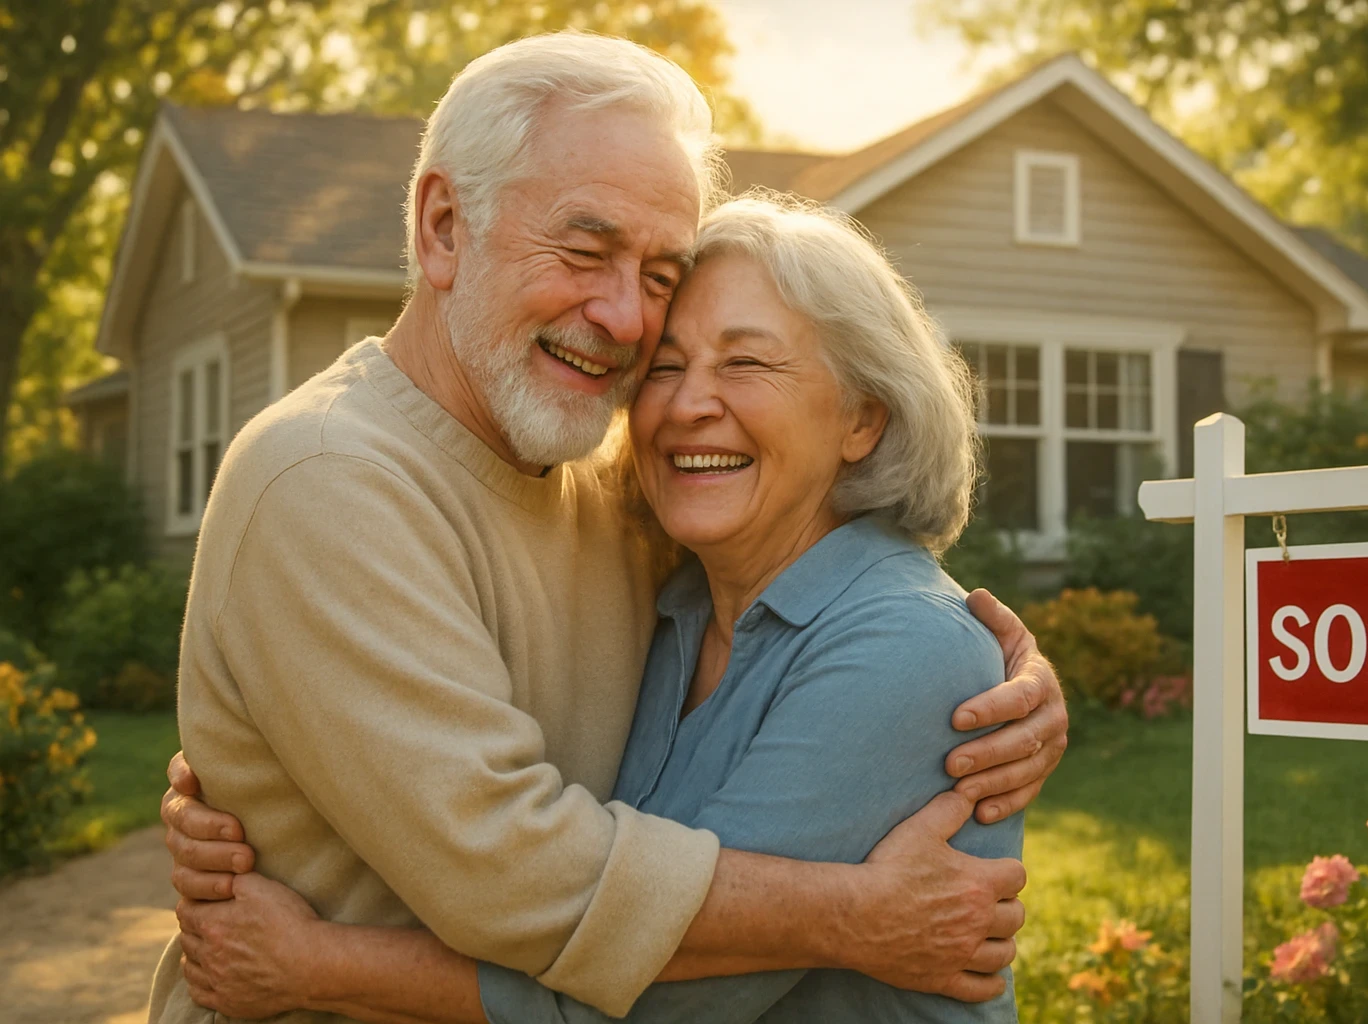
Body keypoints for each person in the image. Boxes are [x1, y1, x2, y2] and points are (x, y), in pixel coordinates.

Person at [152, 33, 1068, 1024]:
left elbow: (836, 583)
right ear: (445, 228)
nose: (627, 318)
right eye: (585, 253)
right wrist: (849, 913)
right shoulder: (327, 477)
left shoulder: (615, 499)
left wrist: (993, 672)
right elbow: (522, 872)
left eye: (660, 272)